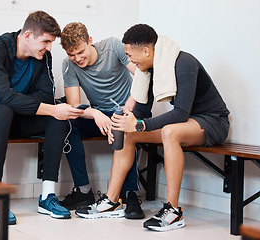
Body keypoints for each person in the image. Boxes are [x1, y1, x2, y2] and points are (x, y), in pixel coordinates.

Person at [76, 23, 230, 231]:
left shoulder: (184, 62)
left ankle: (173, 211)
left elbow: (180, 113)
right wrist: (123, 123)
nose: (129, 61)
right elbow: (142, 110)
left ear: (147, 51)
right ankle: (111, 202)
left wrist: (139, 125)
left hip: (213, 121)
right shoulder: (149, 69)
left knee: (169, 131)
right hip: (188, 123)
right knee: (129, 134)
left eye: (131, 56)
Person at [0, 11, 85, 224]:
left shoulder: (43, 57)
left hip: (16, 117)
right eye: (45, 41)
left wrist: (5, 97)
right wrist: (4, 98)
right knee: (2, 110)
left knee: (57, 117)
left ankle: (47, 196)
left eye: (51, 43)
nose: (49, 48)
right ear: (27, 36)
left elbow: (45, 96)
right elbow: (4, 97)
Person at [58, 22, 153, 219]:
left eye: (81, 52)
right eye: (71, 55)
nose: (77, 59)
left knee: (124, 128)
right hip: (99, 116)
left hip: (126, 111)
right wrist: (94, 113)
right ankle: (83, 192)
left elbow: (143, 74)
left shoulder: (113, 46)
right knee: (66, 125)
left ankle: (131, 195)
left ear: (90, 41)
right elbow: (75, 106)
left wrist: (129, 107)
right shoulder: (69, 66)